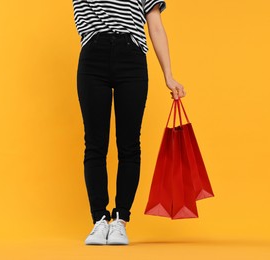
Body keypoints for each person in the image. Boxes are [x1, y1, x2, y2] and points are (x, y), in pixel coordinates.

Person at [71, 0, 186, 245]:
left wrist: (169, 75)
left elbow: (155, 25)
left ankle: (121, 220)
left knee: (129, 144)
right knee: (95, 143)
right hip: (93, 56)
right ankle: (99, 220)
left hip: (131, 58)